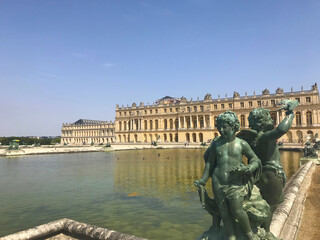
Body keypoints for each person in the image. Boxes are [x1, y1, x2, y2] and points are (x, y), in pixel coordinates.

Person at [195, 111, 261, 240]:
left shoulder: (241, 143)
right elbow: (210, 163)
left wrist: (248, 168)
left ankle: (249, 234)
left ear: (234, 126)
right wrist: (203, 180)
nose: (221, 130)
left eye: (225, 127)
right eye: (219, 127)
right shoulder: (216, 144)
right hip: (218, 181)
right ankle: (231, 235)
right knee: (224, 211)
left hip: (235, 182)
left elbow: (255, 159)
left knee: (237, 210)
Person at [245, 100, 298, 239]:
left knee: (263, 203)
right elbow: (281, 129)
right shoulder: (264, 137)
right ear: (262, 121)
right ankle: (266, 232)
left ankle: (258, 228)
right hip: (271, 175)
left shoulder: (251, 138)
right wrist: (290, 114)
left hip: (260, 174)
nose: (271, 119)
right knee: (272, 205)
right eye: (268, 117)